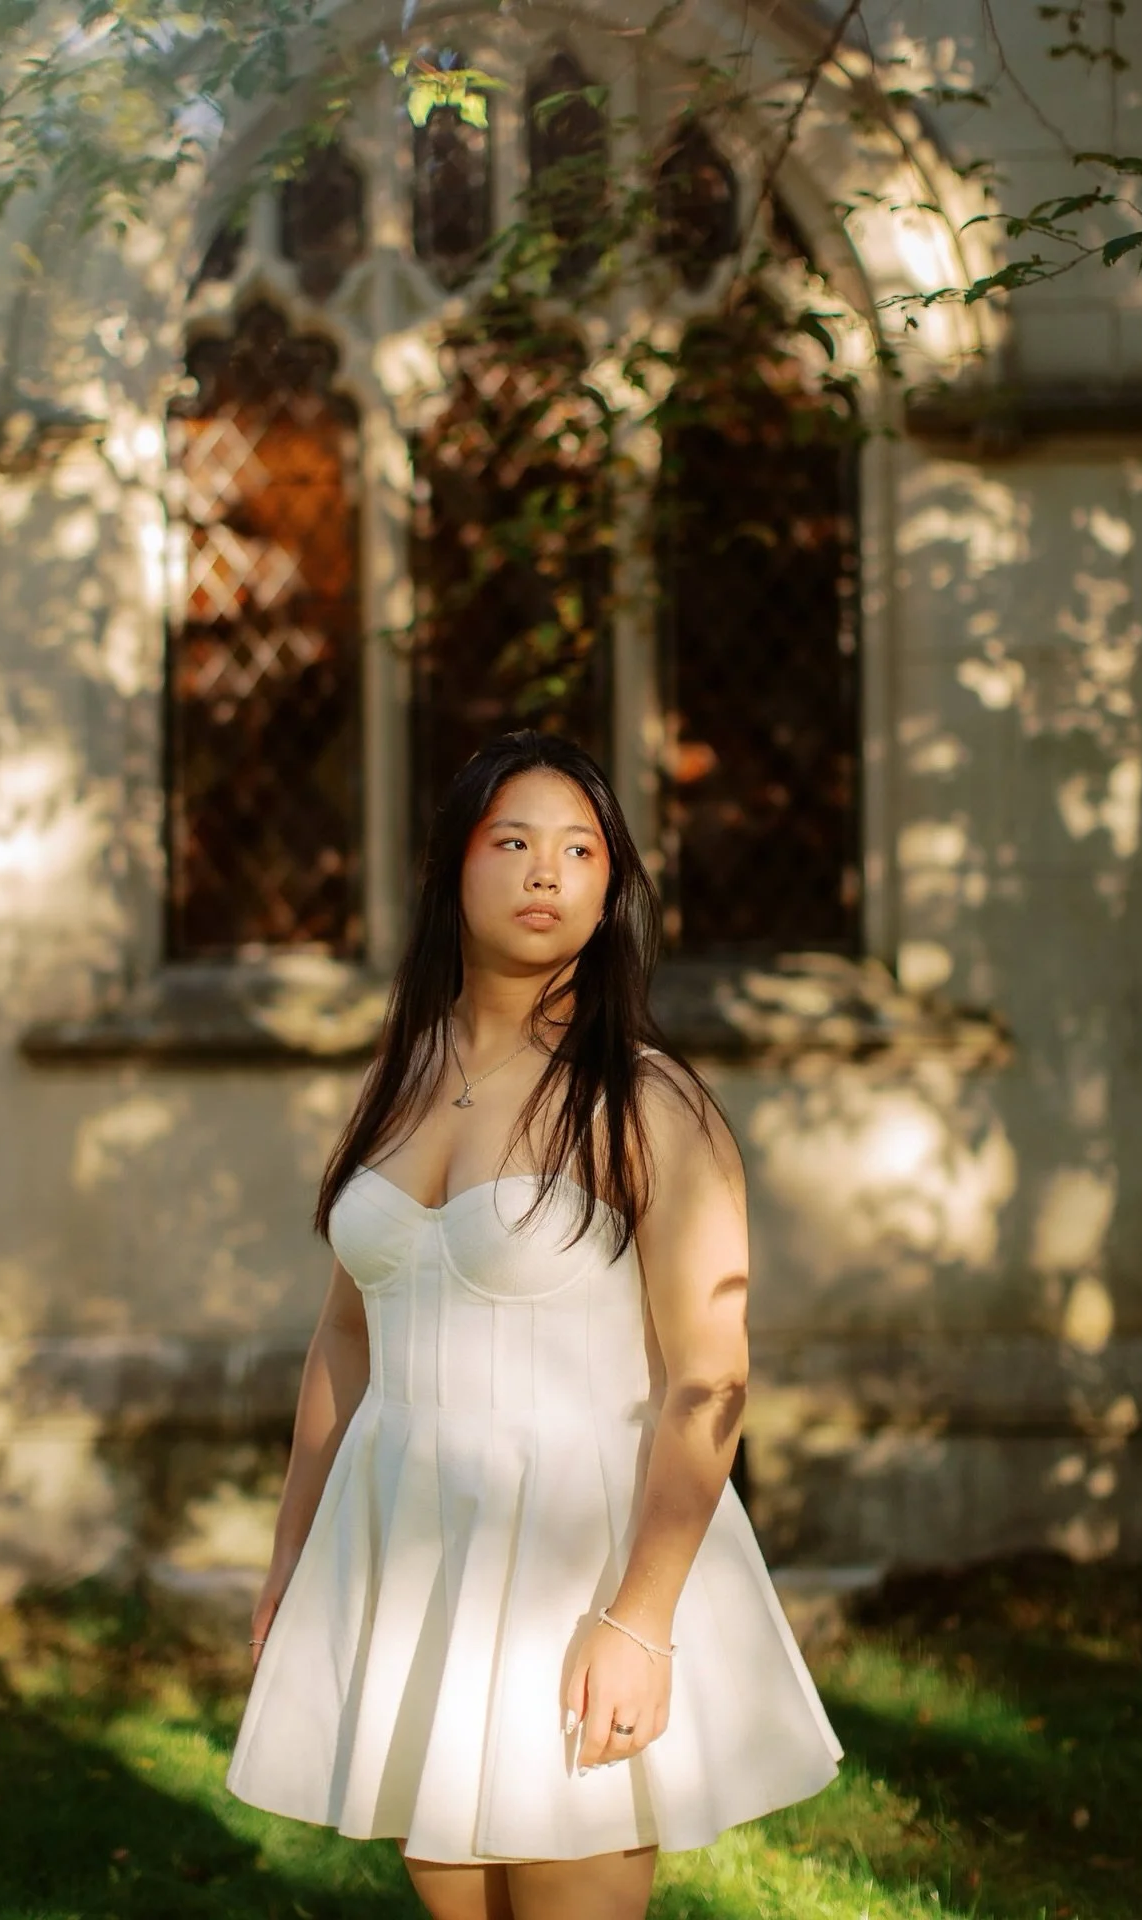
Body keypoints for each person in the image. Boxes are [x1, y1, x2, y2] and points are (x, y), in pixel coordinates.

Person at [227, 730, 842, 1919]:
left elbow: (709, 1380)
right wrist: (293, 1552)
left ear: (612, 888)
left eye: (580, 849)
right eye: (512, 842)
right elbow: (348, 1334)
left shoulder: (647, 1103)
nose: (547, 871)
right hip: (413, 1560)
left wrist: (641, 1620)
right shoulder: (397, 1078)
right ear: (450, 868)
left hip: (581, 1560)